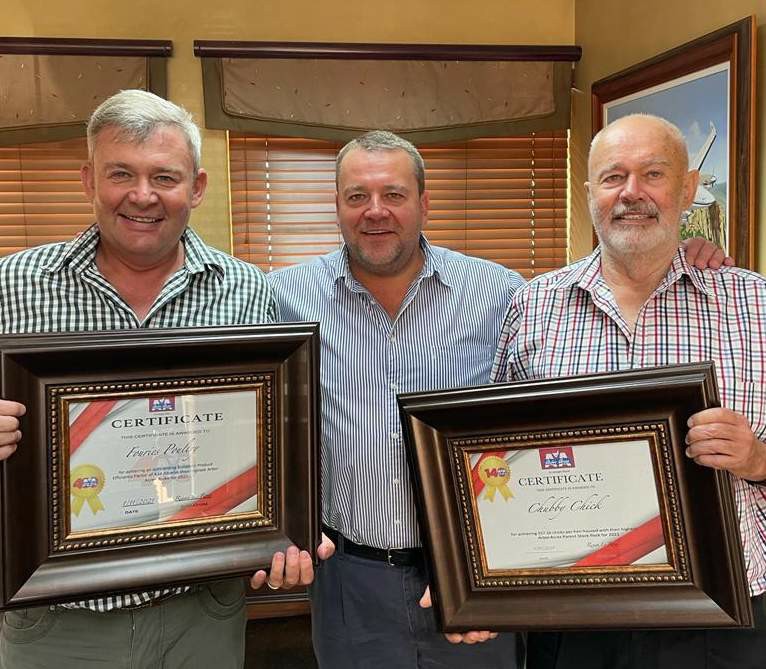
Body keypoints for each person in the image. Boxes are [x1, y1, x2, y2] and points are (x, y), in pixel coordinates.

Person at [266, 130, 727, 668]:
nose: (375, 211)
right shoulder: (285, 297)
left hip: (476, 577)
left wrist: (679, 253)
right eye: (356, 196)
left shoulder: (500, 292)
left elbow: (539, 418)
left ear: (424, 203)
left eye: (394, 194)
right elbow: (267, 424)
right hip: (349, 578)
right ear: (337, 205)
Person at [0, 89, 330, 669]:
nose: (142, 195)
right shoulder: (12, 286)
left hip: (200, 612)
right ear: (88, 180)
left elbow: (275, 436)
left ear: (196, 187)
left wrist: (290, 528)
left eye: (164, 177)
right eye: (120, 173)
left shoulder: (247, 292)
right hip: (56, 620)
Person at [491, 113, 766, 669]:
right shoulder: (533, 306)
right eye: (613, 177)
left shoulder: (755, 306)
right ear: (590, 193)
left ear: (687, 189)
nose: (631, 193)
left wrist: (756, 458)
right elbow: (496, 456)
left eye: (653, 174)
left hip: (723, 614)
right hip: (572, 611)